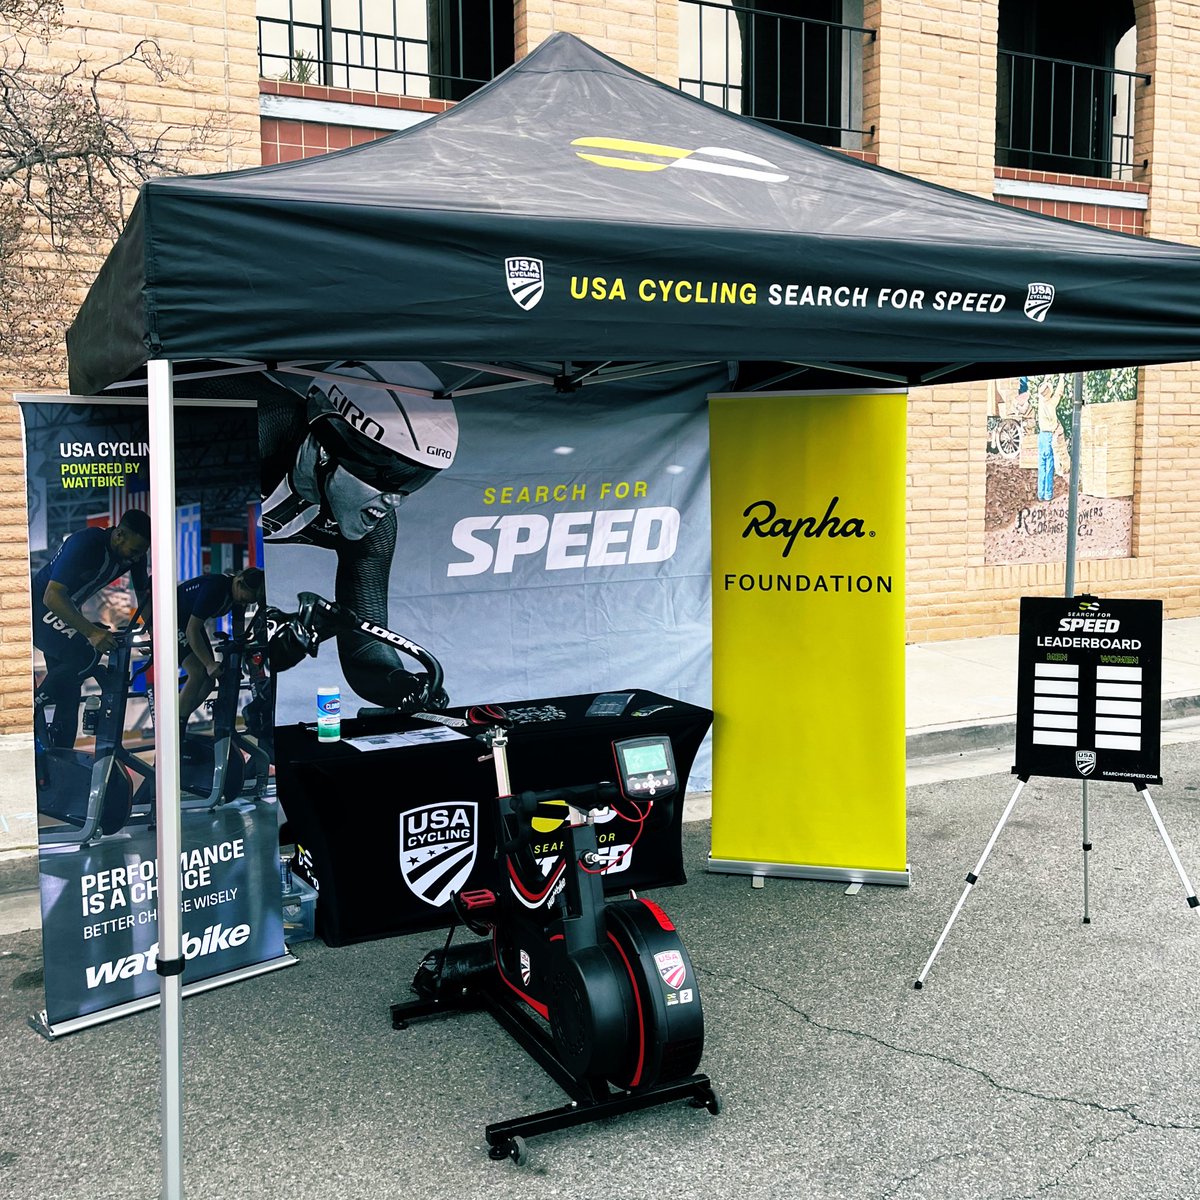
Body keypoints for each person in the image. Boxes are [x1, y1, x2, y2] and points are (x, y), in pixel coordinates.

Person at [259, 361, 458, 712]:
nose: (396, 498)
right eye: (388, 475)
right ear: (326, 449)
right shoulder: (263, 429)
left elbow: (365, 648)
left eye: (414, 480)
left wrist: (401, 686)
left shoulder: (376, 527)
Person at [32, 510, 152, 748]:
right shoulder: (86, 543)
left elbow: (143, 598)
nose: (137, 558)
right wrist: (91, 632)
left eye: (141, 553)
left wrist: (155, 635)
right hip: (38, 607)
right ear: (119, 535)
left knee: (71, 690)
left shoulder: (135, 555)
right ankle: (31, 708)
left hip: (65, 611)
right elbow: (52, 596)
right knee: (86, 654)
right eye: (134, 551)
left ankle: (60, 754)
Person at [177, 567, 266, 730]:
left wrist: (248, 657)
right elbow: (192, 631)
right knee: (198, 672)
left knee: (208, 683)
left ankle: (178, 716)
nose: (245, 604)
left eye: (250, 602)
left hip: (188, 623)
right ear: (240, 583)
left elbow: (239, 635)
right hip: (171, 619)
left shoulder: (239, 597)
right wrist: (209, 663)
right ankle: (176, 727)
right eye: (247, 599)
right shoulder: (216, 588)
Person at [1036, 375, 1066, 501]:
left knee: (1041, 464)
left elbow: (1042, 390)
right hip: (1049, 436)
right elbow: (1059, 392)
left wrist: (1046, 379)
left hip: (1041, 436)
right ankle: (1048, 494)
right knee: (1049, 466)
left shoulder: (1040, 401)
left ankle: (1040, 494)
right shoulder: (1050, 404)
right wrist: (1062, 378)